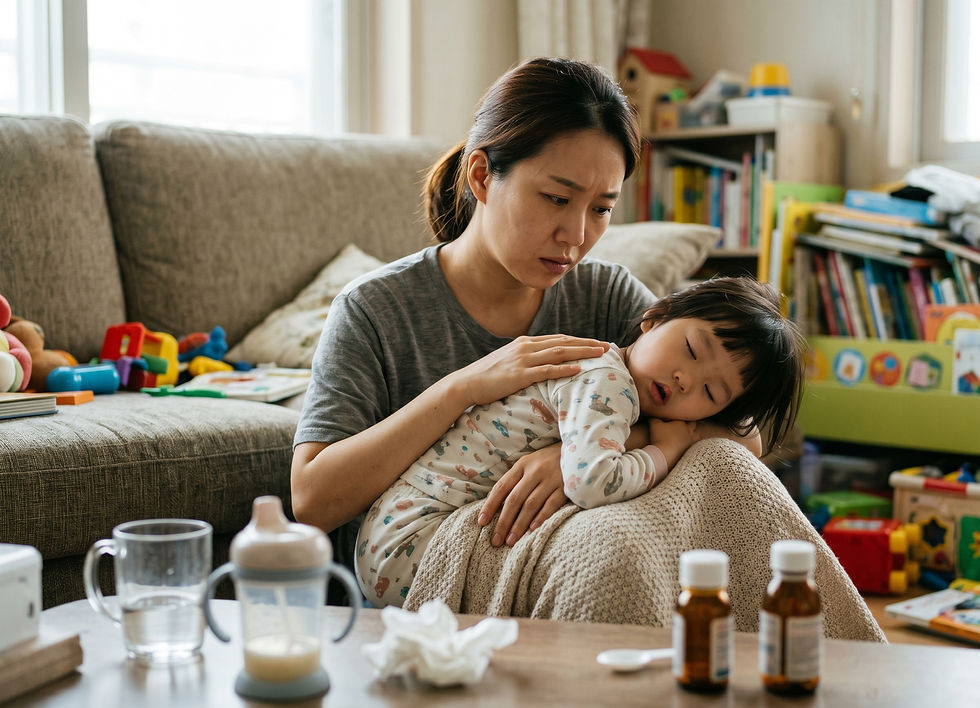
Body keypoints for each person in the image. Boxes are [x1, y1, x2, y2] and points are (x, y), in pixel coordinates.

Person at [292, 56, 755, 588]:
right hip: (420, 566)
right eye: (556, 199)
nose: (576, 235)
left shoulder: (605, 293)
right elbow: (311, 502)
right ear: (483, 175)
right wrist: (461, 388)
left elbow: (743, 440)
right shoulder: (377, 308)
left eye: (601, 209)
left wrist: (579, 457)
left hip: (569, 533)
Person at [355, 277, 806, 607]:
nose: (685, 380)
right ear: (653, 318)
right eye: (691, 349)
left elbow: (748, 441)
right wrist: (665, 449)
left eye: (711, 392)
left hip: (391, 534)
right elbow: (594, 483)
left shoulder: (624, 381)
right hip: (411, 545)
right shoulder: (607, 379)